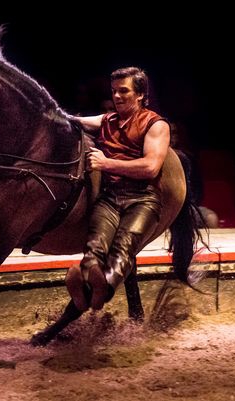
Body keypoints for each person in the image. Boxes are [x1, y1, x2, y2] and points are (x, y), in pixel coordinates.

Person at [66, 67, 171, 311]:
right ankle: (86, 287)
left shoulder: (156, 125)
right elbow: (74, 121)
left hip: (142, 199)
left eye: (124, 91)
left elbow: (151, 167)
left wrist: (106, 163)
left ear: (141, 95)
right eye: (114, 91)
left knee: (123, 247)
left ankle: (97, 289)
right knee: (94, 246)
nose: (117, 96)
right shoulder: (107, 120)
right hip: (110, 197)